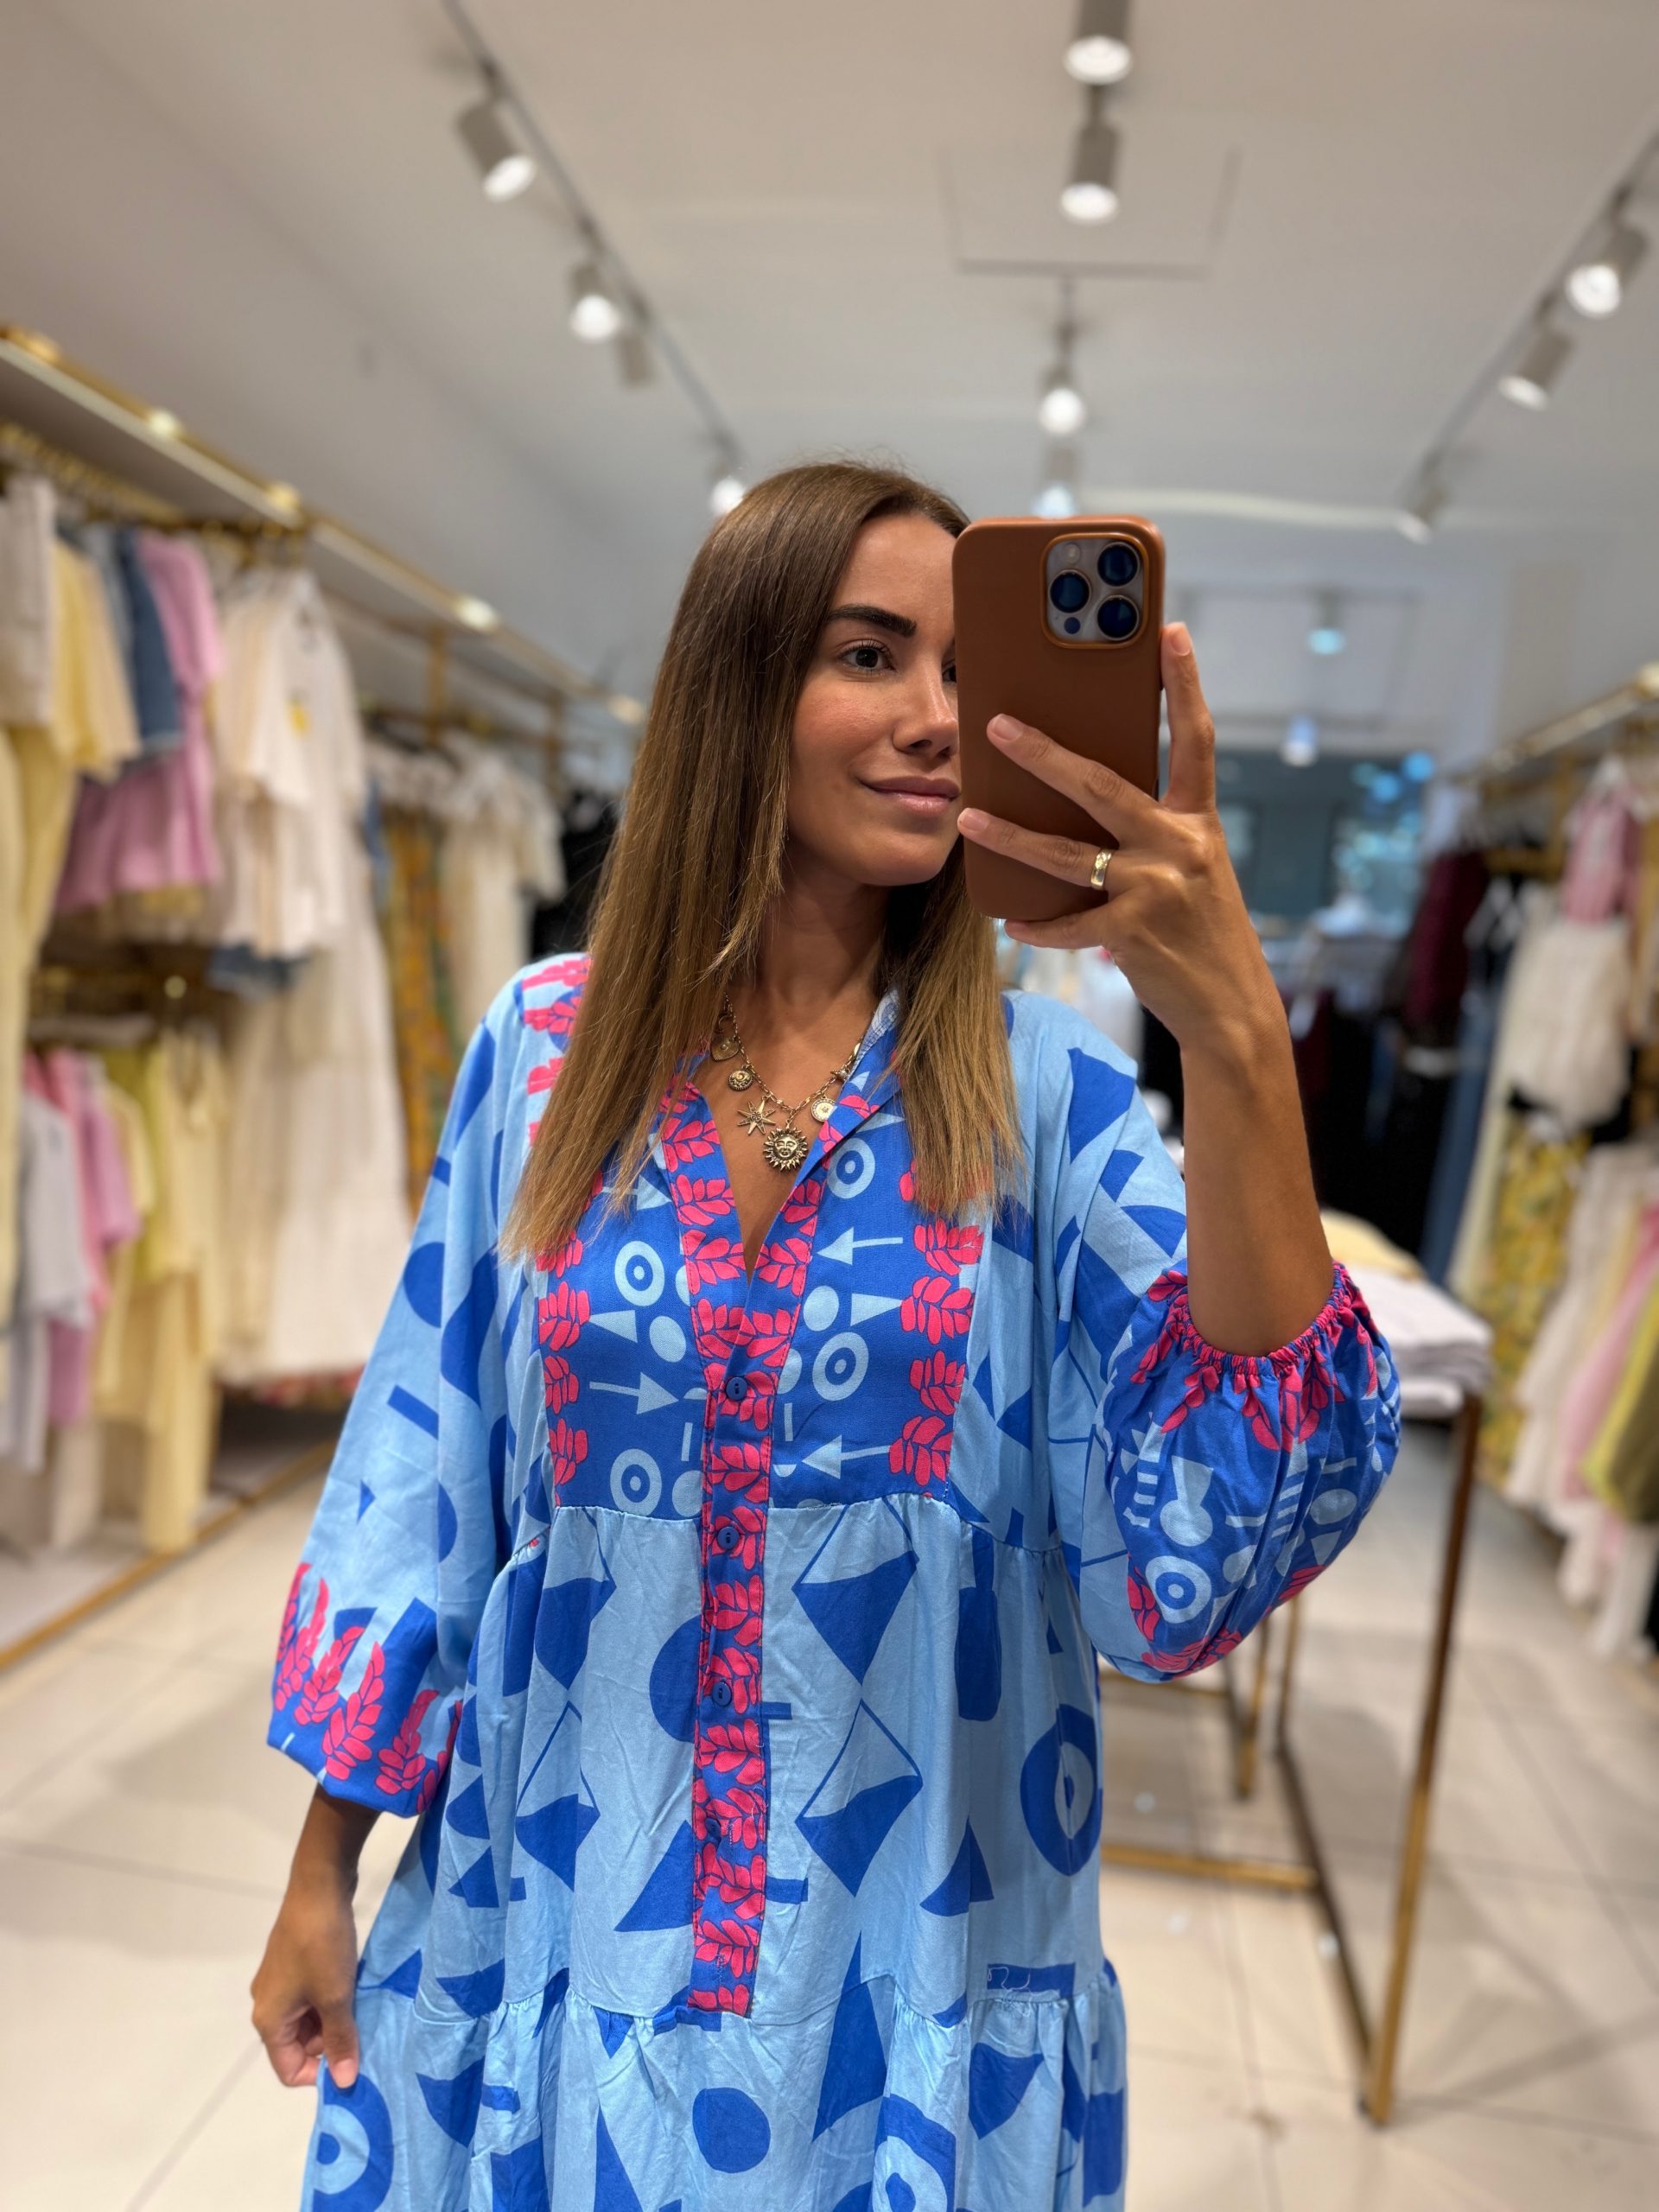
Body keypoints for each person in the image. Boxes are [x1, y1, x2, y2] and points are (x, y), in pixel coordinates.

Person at [251, 462, 1399, 2210]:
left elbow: (1210, 1540)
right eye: (873, 655)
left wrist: (1233, 1031)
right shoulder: (546, 1055)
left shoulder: (1044, 1093)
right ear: (739, 689)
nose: (939, 716)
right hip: (547, 1926)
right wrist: (321, 1865)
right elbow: (426, 1469)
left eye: (969, 671)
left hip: (918, 1981)